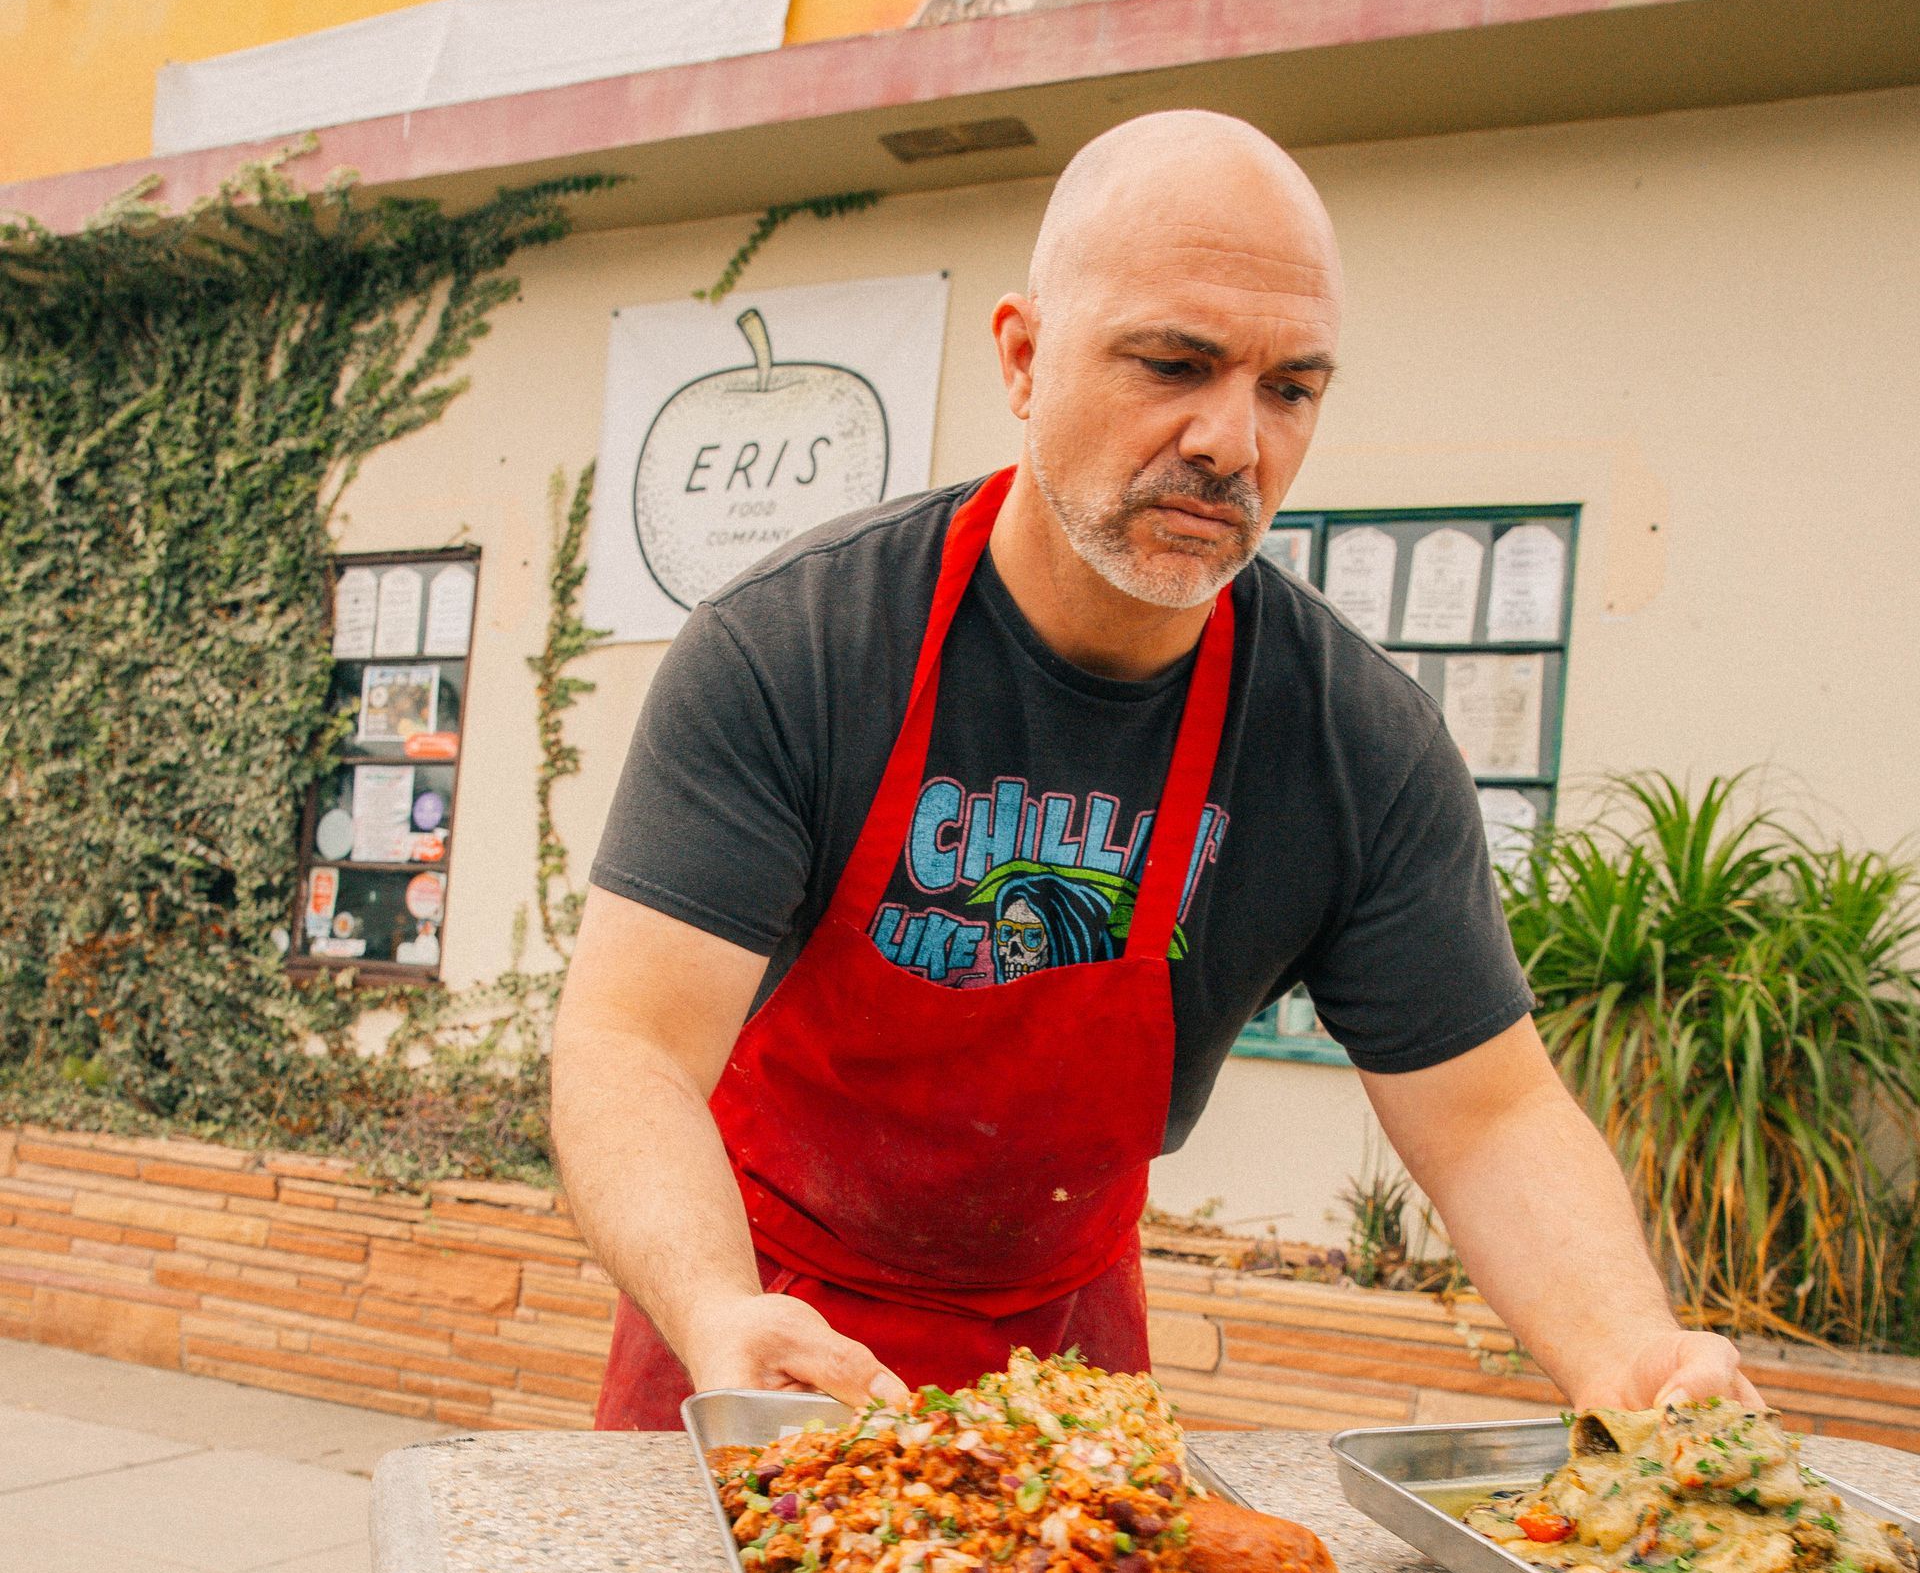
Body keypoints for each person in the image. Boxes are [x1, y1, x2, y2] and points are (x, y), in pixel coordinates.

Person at [552, 109, 1756, 1425]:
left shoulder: (1353, 742)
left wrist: (1632, 1358)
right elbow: (629, 1046)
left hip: (1060, 1364)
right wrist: (715, 1307)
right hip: (761, 1327)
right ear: (1022, 358)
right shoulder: (799, 649)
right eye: (1173, 363)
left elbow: (1488, 1117)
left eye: (1289, 388)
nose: (1233, 442)